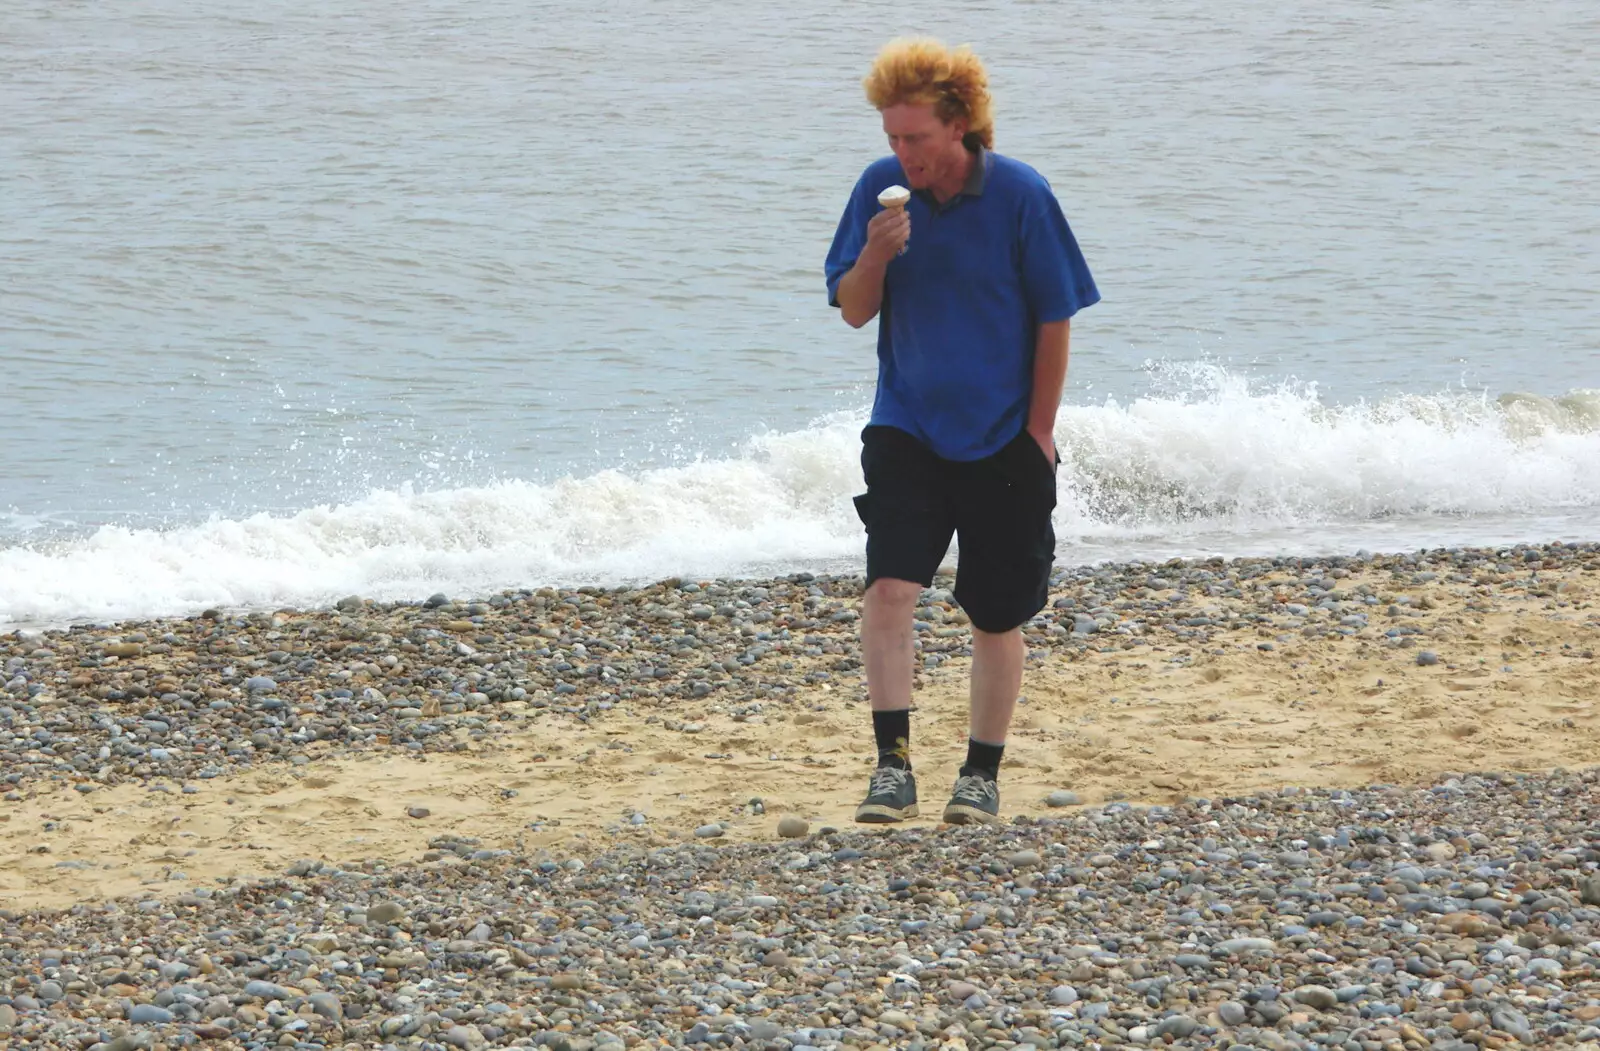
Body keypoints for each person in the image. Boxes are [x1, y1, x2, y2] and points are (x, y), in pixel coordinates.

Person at [824, 38, 1100, 825]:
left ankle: (980, 773)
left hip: (1005, 435)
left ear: (960, 126)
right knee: (889, 590)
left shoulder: (1019, 194)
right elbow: (852, 308)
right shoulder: (880, 192)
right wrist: (875, 255)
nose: (901, 153)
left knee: (995, 612)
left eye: (914, 137)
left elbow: (1055, 318)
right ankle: (893, 766)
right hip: (905, 423)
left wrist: (1039, 432)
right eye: (891, 138)